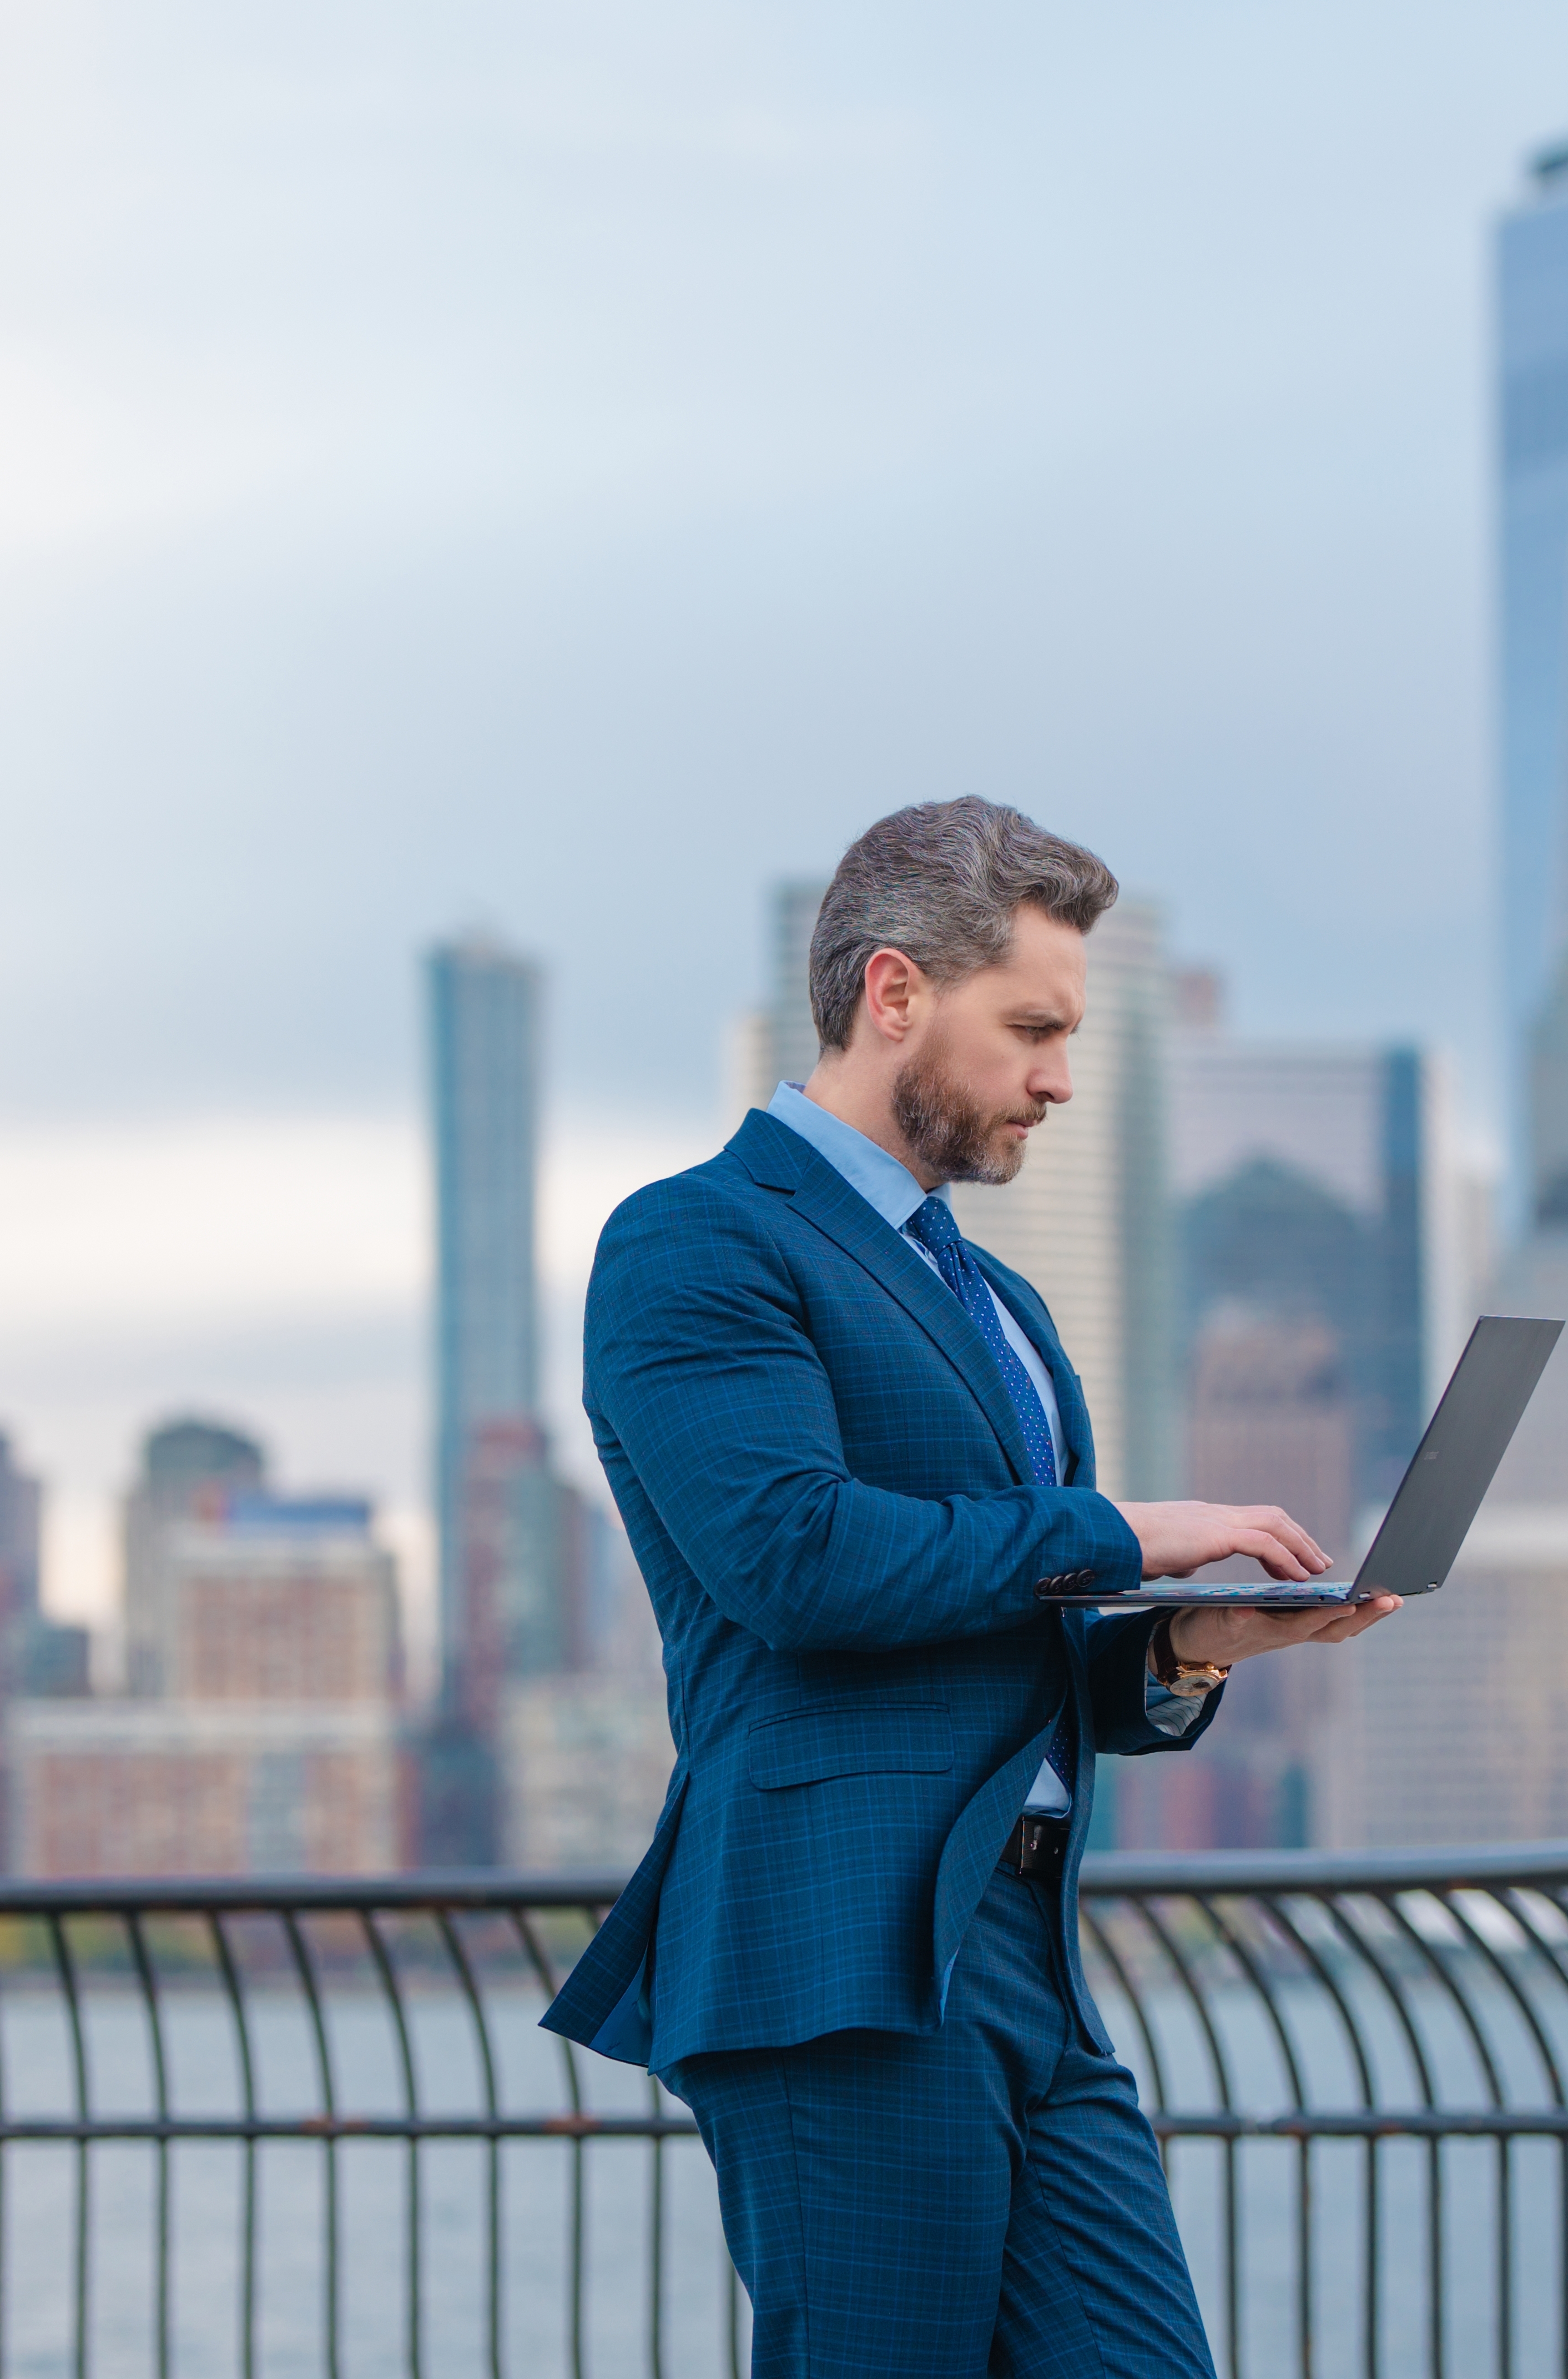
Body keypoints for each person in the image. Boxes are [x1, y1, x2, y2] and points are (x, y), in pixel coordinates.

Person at [540, 796, 1397, 2375]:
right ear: (892, 994)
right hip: (841, 1960)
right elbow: (796, 1564)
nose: (1060, 1077)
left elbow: (1009, 1626)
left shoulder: (995, 1299)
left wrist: (1190, 1648)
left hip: (1023, 1959)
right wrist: (1128, 1532)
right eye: (1032, 1029)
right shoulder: (696, 1241)